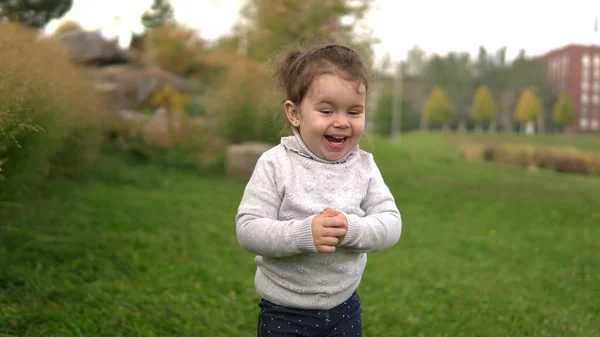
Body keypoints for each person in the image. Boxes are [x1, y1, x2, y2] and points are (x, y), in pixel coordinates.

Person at [235, 43, 402, 337]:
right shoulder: (276, 164)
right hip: (283, 312)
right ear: (295, 113)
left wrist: (351, 230)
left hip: (345, 307)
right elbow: (248, 229)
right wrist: (304, 234)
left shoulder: (364, 167)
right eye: (326, 110)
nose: (341, 122)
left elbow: (391, 223)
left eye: (354, 111)